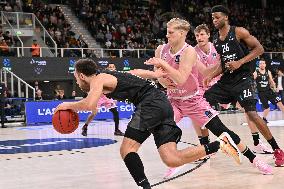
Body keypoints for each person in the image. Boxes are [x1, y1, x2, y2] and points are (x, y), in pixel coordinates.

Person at [55, 58, 241, 189]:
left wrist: (65, 105)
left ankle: (144, 187)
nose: (77, 83)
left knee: (127, 149)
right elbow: (135, 73)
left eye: (76, 78)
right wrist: (154, 74)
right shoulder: (109, 75)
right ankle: (220, 144)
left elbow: (89, 104)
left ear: (80, 75)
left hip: (150, 103)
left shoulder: (98, 78)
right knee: (171, 158)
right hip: (163, 104)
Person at [143, 18, 272, 178]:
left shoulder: (189, 51)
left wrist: (224, 68)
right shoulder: (161, 50)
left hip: (193, 100)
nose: (167, 35)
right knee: (162, 129)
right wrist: (162, 79)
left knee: (223, 131)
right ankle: (175, 161)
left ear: (181, 33)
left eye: (170, 32)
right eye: (167, 32)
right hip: (173, 101)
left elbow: (189, 76)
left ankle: (255, 160)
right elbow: (159, 77)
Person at [203, 5, 284, 165]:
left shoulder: (238, 31)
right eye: (212, 17)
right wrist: (211, 75)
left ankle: (277, 150)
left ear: (226, 17)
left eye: (217, 17)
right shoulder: (215, 39)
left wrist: (240, 62)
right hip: (227, 81)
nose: (215, 20)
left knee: (252, 114)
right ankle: (223, 139)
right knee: (202, 102)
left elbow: (259, 48)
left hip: (243, 79)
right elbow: (223, 63)